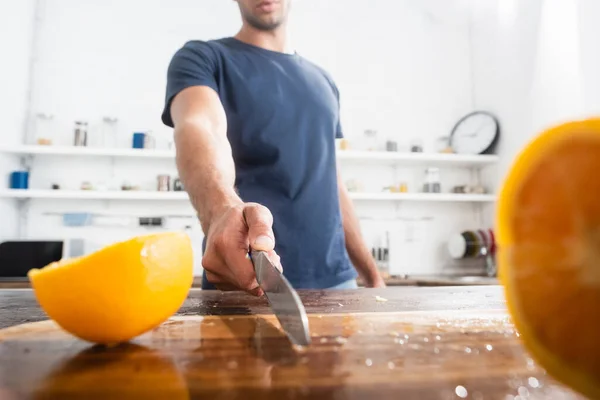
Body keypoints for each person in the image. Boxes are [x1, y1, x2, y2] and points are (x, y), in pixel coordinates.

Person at [161, 0, 385, 294]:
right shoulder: (204, 58)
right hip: (246, 277)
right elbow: (201, 128)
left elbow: (332, 182)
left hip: (338, 281)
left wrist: (372, 275)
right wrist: (219, 212)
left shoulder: (324, 81)